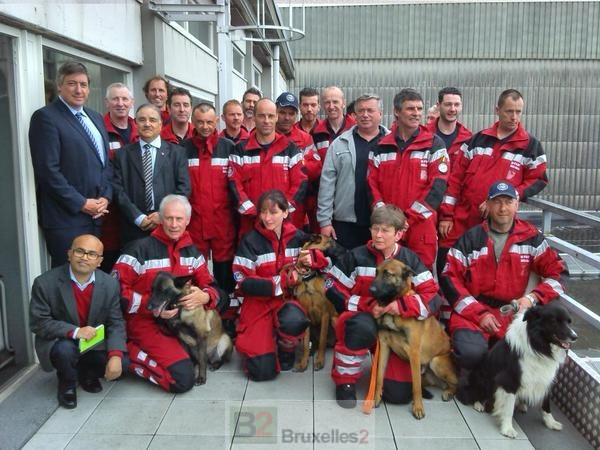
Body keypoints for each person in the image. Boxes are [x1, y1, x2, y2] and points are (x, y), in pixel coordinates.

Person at [440, 181, 567, 372]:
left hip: (514, 313)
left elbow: (559, 273)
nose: (502, 208)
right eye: (497, 202)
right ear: (487, 205)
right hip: (474, 313)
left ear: (517, 204)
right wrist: (479, 314)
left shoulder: (531, 237)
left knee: (519, 358)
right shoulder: (471, 239)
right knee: (471, 354)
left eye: (508, 202)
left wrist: (533, 298)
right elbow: (449, 278)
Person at [324, 205, 442, 408]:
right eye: (375, 228)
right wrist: (363, 304)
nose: (378, 235)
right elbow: (330, 285)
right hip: (364, 321)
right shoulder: (356, 256)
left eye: (385, 230)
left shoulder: (409, 260)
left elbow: (433, 297)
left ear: (399, 234)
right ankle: (345, 381)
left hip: (395, 330)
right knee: (359, 327)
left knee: (397, 395)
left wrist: (403, 305)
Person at [113, 195, 227, 392]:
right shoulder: (138, 250)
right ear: (160, 218)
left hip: (176, 327)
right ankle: (127, 353)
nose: (174, 224)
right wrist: (151, 306)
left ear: (188, 221)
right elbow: (115, 291)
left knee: (190, 362)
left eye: (179, 219)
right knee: (181, 380)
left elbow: (214, 287)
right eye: (169, 218)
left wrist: (205, 296)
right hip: (144, 323)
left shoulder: (193, 253)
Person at [233, 189, 329, 381]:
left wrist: (314, 259)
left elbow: (326, 256)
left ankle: (286, 347)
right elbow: (242, 282)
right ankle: (269, 342)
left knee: (294, 319)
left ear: (286, 212)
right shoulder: (249, 241)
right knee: (261, 371)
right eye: (263, 212)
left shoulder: (299, 236)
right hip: (258, 305)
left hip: (287, 302)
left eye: (274, 212)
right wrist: (282, 282)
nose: (267, 218)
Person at [438, 89, 548, 253]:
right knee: (446, 266)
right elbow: (455, 180)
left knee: (483, 271)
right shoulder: (477, 140)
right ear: (497, 110)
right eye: (509, 111)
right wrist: (446, 216)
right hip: (461, 219)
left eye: (518, 112)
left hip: (496, 223)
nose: (514, 117)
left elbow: (538, 179)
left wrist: (509, 196)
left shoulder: (530, 146)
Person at [30, 234, 127, 409]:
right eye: (79, 251)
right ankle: (67, 382)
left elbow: (115, 322)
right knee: (65, 350)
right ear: (69, 254)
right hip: (62, 340)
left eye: (92, 254)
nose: (84, 257)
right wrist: (75, 331)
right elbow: (39, 322)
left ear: (99, 261)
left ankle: (87, 373)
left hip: (93, 341)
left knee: (123, 361)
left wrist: (115, 356)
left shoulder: (110, 284)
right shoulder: (45, 283)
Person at [29, 61, 112, 268]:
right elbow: (48, 171)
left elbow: (105, 164)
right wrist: (82, 203)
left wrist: (105, 197)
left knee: (89, 279)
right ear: (60, 86)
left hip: (95, 217)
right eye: (72, 83)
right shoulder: (46, 117)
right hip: (65, 220)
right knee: (67, 281)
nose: (79, 90)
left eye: (83, 84)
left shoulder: (95, 118)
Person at [368, 88, 449, 269]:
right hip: (388, 228)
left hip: (420, 228)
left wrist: (408, 219)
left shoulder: (434, 144)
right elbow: (371, 185)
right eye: (410, 109)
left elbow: (438, 186)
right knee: (387, 279)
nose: (416, 113)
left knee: (420, 282)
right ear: (397, 111)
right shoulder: (381, 146)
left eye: (419, 109)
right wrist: (386, 219)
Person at [182, 103, 237, 333]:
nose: (205, 126)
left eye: (209, 122)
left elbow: (235, 187)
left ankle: (226, 318)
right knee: (196, 275)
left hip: (222, 222)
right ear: (193, 122)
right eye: (200, 122)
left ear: (217, 122)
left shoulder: (229, 148)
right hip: (194, 224)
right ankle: (198, 321)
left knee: (225, 275)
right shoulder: (182, 150)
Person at [228, 98, 307, 239]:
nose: (266, 120)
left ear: (276, 117)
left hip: (282, 226)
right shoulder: (240, 150)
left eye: (270, 116)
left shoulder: (290, 149)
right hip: (250, 225)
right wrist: (254, 212)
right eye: (261, 115)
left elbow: (300, 184)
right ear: (254, 117)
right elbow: (234, 185)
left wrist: (280, 213)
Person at [112, 104, 191, 245]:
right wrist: (137, 217)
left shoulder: (177, 153)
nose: (147, 124)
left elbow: (183, 188)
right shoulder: (122, 155)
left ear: (160, 124)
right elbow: (118, 191)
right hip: (133, 227)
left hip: (167, 226)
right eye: (142, 120)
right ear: (135, 124)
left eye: (152, 120)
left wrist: (163, 215)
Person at [318, 94, 389, 249]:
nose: (365, 115)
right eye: (361, 111)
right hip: (346, 224)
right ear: (354, 115)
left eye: (370, 110)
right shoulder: (339, 144)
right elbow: (327, 184)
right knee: (345, 269)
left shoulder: (392, 144)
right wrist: (325, 222)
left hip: (383, 224)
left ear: (380, 114)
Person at [427, 87, 472, 282]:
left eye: (456, 104)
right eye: (448, 104)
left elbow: (467, 180)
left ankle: (448, 309)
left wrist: (448, 214)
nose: (452, 109)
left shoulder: (468, 139)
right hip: (426, 207)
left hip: (454, 213)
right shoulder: (423, 135)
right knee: (423, 261)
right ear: (439, 105)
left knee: (448, 264)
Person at [101, 82, 139, 272]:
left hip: (137, 213)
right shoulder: (98, 131)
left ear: (131, 102)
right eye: (115, 99)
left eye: (125, 99)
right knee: (111, 266)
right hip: (110, 214)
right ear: (107, 102)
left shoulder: (141, 130)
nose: (120, 103)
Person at [275, 91, 320, 230]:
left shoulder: (305, 138)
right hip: (270, 199)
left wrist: (293, 168)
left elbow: (316, 167)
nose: (287, 117)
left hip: (296, 203)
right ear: (275, 112)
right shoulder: (264, 135)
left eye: (291, 113)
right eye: (282, 112)